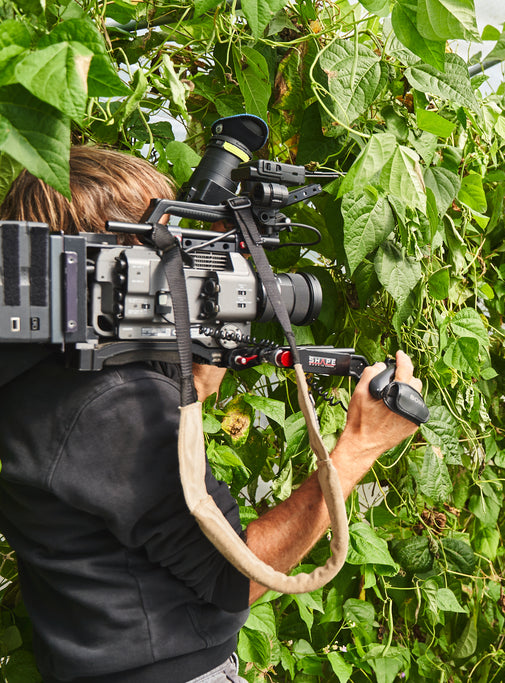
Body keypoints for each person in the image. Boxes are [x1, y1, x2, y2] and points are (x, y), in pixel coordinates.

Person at [0, 146, 422, 682]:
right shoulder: (114, 401)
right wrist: (361, 444)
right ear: (115, 254)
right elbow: (236, 575)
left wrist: (192, 383)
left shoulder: (38, 367)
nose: (181, 260)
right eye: (163, 243)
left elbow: (134, 502)